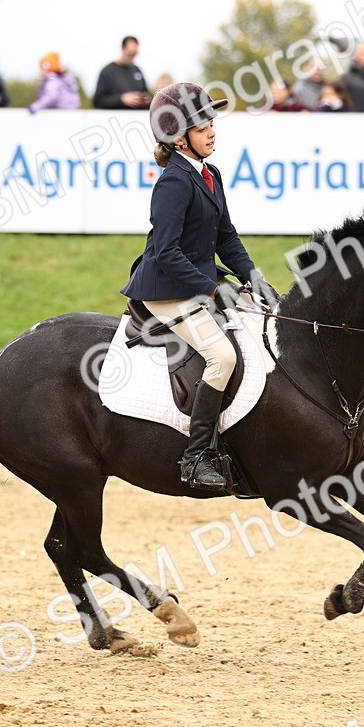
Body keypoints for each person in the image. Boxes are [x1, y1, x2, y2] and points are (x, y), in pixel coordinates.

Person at [122, 82, 271, 491]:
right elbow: (167, 252)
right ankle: (196, 457)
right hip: (166, 289)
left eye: (211, 123)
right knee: (222, 356)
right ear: (178, 137)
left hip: (200, 280)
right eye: (202, 126)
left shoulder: (210, 174)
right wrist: (212, 289)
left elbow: (226, 237)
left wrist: (253, 277)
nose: (212, 132)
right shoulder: (173, 182)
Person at [93, 36, 150, 110]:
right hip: (115, 116)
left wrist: (145, 99)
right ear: (123, 49)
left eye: (134, 54)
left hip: (136, 115)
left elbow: (146, 94)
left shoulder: (137, 70)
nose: (132, 57)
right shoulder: (107, 72)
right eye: (130, 53)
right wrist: (120, 99)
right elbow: (98, 101)